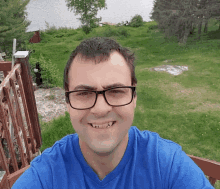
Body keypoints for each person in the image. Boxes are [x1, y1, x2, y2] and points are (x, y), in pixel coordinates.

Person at [12, 37, 214, 188]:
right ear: (67, 101)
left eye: (116, 91)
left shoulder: (168, 167)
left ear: (134, 96)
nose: (100, 109)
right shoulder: (45, 177)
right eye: (84, 93)